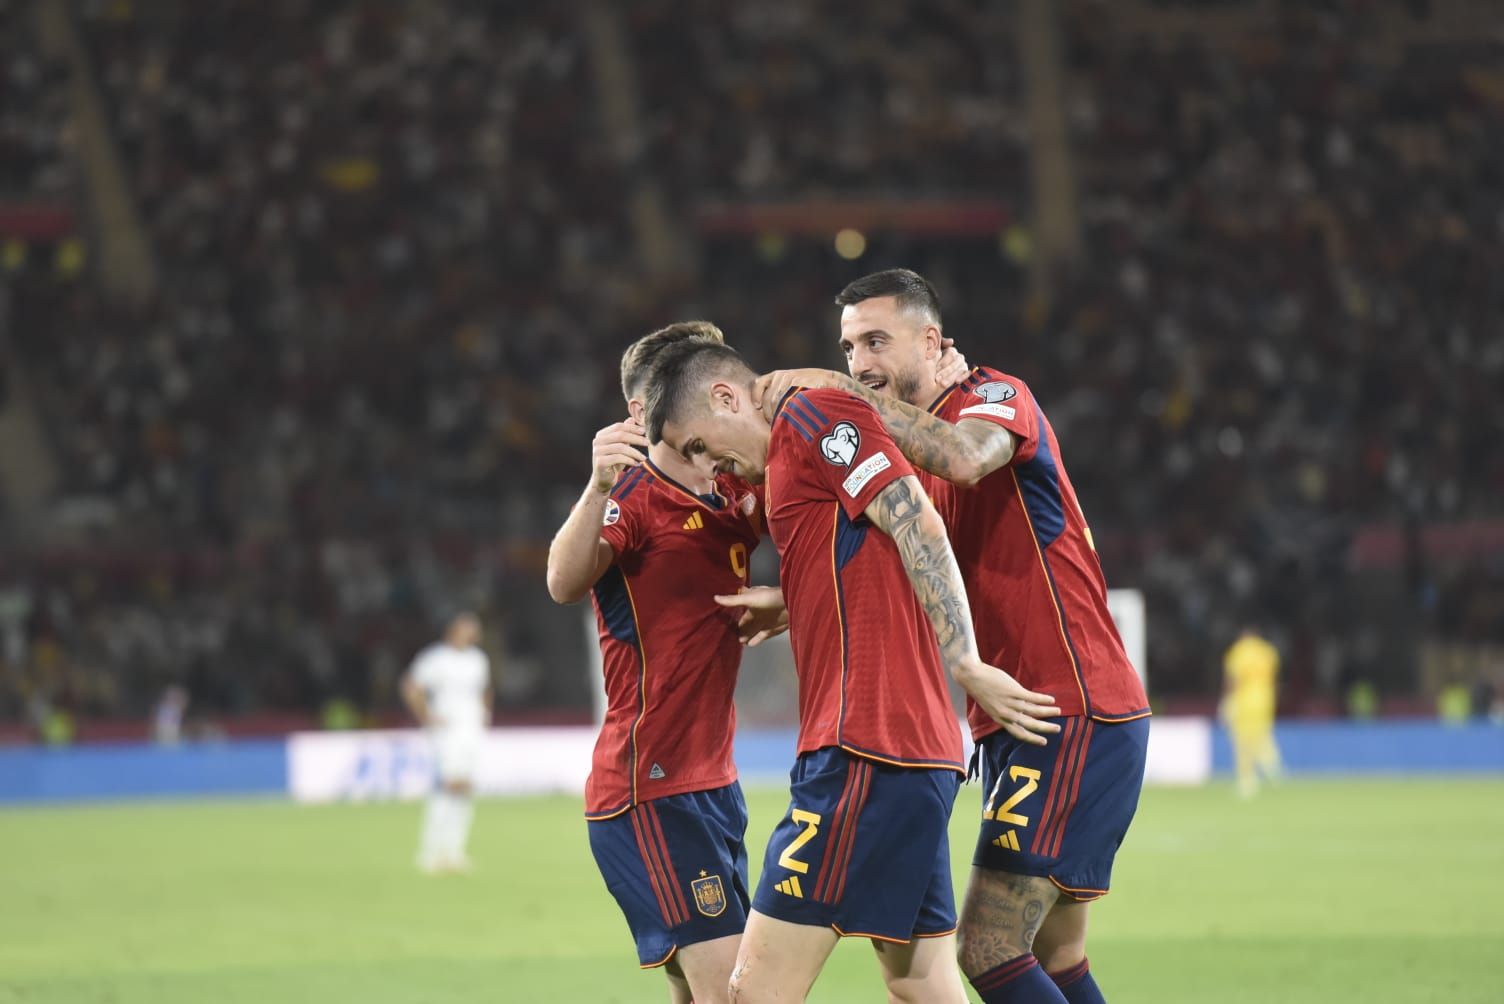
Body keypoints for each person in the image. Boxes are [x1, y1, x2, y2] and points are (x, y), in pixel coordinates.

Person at [755, 268, 1151, 1004]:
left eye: (877, 340)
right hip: (1018, 716)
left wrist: (824, 387)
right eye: (846, 350)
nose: (859, 363)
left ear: (933, 341)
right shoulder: (907, 452)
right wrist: (791, 595)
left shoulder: (995, 398)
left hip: (1066, 704)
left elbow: (968, 457)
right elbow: (912, 565)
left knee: (990, 946)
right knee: (1055, 956)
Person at [643, 338, 1059, 1004]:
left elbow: (915, 519)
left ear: (726, 397)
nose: (705, 464)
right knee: (920, 983)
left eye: (696, 444)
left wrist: (965, 659)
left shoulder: (810, 415)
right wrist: (793, 600)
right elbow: (865, 552)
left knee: (751, 994)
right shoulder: (786, 465)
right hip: (906, 755)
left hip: (864, 749)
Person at [545, 322, 781, 1004]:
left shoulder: (734, 493)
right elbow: (563, 581)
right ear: (646, 415)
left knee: (698, 993)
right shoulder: (634, 497)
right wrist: (595, 487)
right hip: (649, 785)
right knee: (738, 993)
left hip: (712, 782)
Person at [400, 611, 492, 875]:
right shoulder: (435, 659)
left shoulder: (478, 660)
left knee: (465, 788)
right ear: (453, 630)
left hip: (471, 730)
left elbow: (485, 691)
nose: (472, 633)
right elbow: (411, 687)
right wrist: (427, 716)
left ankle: (454, 851)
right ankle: (430, 851)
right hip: (447, 732)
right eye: (467, 628)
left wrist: (484, 716)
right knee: (447, 786)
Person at [1221, 626, 1282, 798]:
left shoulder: (1239, 651)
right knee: (1262, 735)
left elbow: (1233, 678)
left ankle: (1247, 779)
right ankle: (1272, 767)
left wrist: (1227, 700)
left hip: (1244, 699)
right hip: (1265, 699)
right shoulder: (1268, 651)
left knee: (1242, 740)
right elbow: (1274, 677)